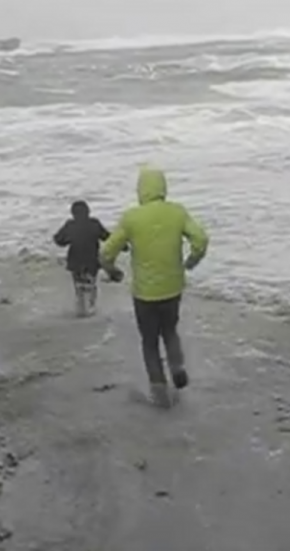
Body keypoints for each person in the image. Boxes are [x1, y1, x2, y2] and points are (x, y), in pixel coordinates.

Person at [101, 166, 209, 409]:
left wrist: (112, 271)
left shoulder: (131, 218)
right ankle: (178, 367)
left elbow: (106, 252)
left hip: (144, 293)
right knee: (170, 330)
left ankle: (159, 390)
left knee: (149, 341)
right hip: (172, 288)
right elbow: (201, 240)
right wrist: (190, 262)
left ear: (141, 190)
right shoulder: (177, 212)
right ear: (163, 189)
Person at [53, 200, 112, 318]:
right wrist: (123, 246)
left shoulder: (70, 225)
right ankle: (91, 306)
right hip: (92, 260)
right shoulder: (94, 224)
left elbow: (58, 240)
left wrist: (67, 240)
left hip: (75, 260)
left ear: (72, 213)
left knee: (78, 285)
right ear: (88, 212)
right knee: (91, 283)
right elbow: (107, 237)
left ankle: (80, 307)